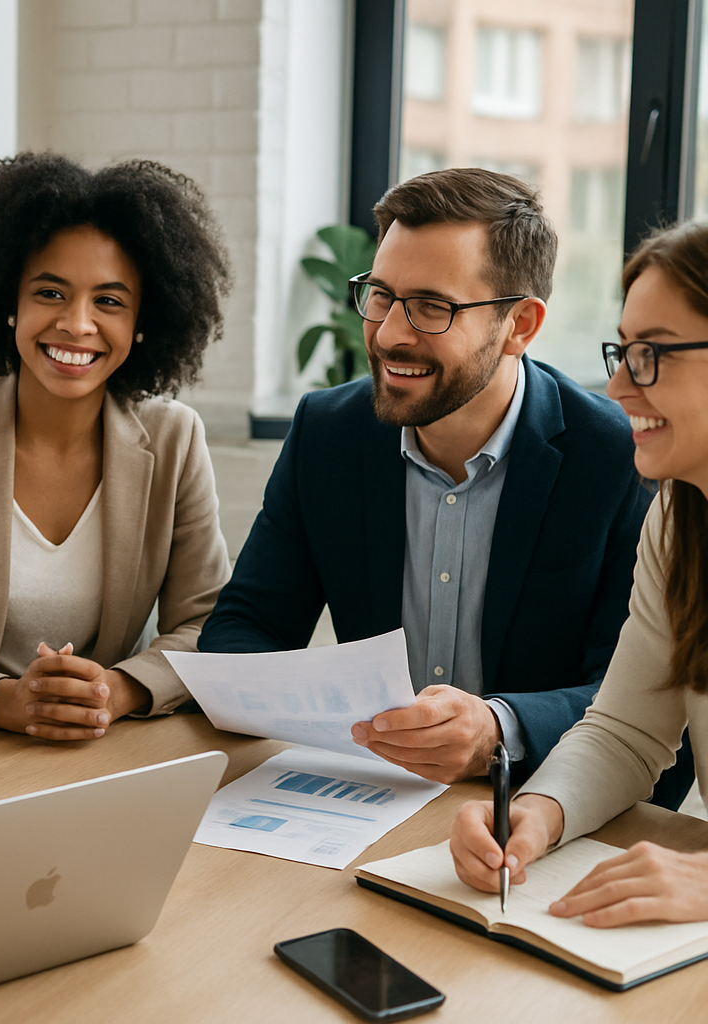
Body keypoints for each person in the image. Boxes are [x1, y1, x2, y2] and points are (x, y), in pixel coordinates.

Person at [199, 167, 689, 801]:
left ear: (521, 326)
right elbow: (245, 625)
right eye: (380, 295)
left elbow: (638, 704)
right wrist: (316, 709)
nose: (392, 333)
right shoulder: (328, 433)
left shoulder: (620, 456)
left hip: (538, 804)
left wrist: (499, 728)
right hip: (365, 800)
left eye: (433, 307)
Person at [0, 153, 232, 739]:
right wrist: (3, 701)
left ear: (142, 321)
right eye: (51, 292)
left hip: (100, 753)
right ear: (11, 302)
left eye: (108, 300)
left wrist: (117, 689)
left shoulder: (174, 439)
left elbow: (208, 623)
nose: (77, 324)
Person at [451, 220, 708, 926]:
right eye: (621, 353)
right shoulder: (680, 522)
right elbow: (626, 729)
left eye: (651, 354)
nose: (619, 387)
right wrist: (535, 814)